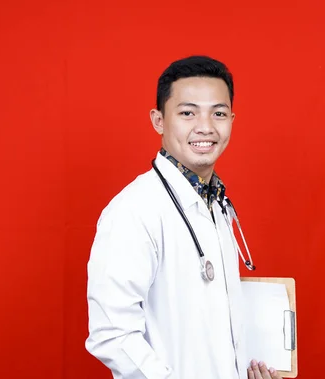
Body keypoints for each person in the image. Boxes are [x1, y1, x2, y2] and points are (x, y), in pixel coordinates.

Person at [85, 55, 283, 379]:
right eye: (188, 113)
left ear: (232, 119)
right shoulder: (133, 211)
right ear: (158, 120)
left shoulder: (216, 204)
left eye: (218, 113)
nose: (205, 127)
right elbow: (111, 335)